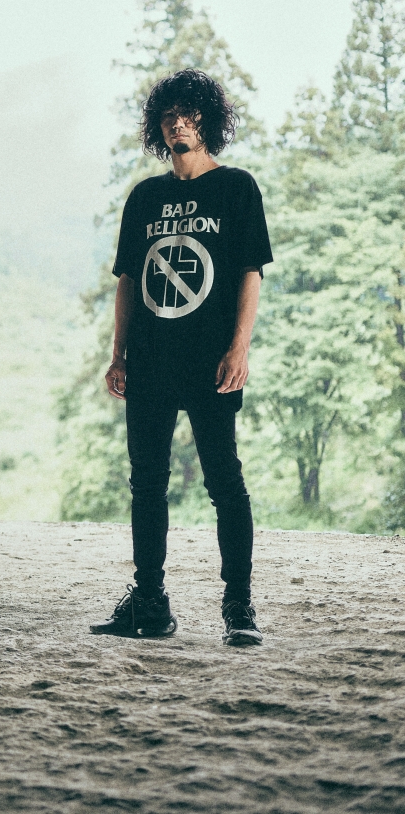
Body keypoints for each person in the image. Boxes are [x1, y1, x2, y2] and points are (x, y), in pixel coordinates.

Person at [93, 68, 272, 646]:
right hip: (149, 360)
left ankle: (239, 606)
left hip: (210, 361)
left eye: (188, 115)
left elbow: (250, 272)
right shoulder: (145, 197)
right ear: (158, 126)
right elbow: (128, 279)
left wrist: (239, 348)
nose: (178, 124)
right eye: (169, 116)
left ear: (207, 121)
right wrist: (117, 354)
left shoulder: (237, 188)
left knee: (225, 481)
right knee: (146, 483)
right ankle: (149, 602)